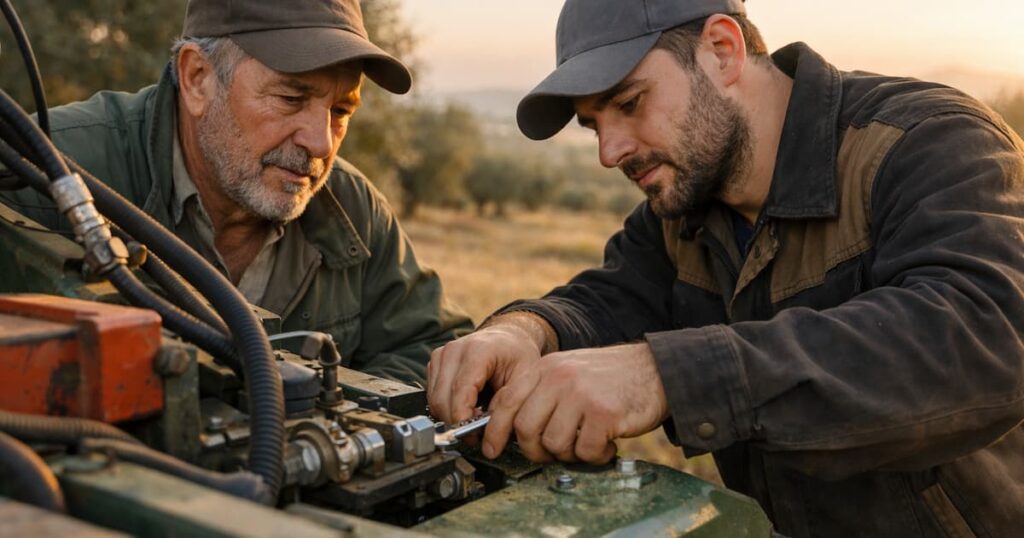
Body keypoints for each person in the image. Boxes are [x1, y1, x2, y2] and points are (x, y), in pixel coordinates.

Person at [427, 0, 1024, 535]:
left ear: (722, 49)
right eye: (594, 125)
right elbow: (612, 299)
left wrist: (665, 376)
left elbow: (986, 336)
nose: (610, 151)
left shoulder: (929, 141)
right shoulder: (684, 206)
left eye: (629, 104)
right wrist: (526, 331)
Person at [1, 0, 472, 384]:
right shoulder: (39, 171)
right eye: (291, 98)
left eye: (340, 111)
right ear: (197, 79)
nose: (321, 143)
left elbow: (433, 350)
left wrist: (330, 416)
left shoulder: (352, 208)